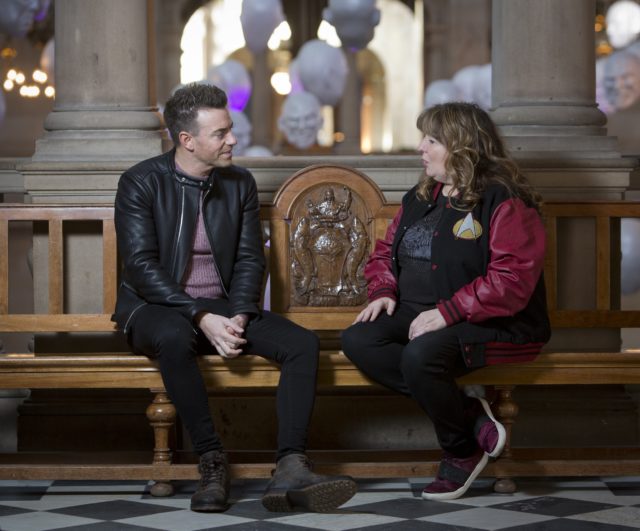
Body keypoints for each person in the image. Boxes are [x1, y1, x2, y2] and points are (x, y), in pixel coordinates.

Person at [113, 83, 356, 513]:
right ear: (186, 140)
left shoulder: (238, 183)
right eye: (221, 133)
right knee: (173, 336)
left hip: (223, 308)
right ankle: (211, 461)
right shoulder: (141, 183)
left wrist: (241, 314)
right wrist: (200, 314)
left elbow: (248, 260)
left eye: (230, 129)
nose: (233, 139)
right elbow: (141, 268)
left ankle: (291, 466)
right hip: (156, 309)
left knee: (303, 344)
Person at [341, 102, 551, 501]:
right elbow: (384, 253)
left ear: (462, 146)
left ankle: (460, 451)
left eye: (432, 139)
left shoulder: (504, 199)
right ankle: (471, 417)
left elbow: (512, 281)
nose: (421, 147)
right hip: (421, 312)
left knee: (419, 357)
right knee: (359, 339)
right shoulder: (423, 195)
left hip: (491, 320)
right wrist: (383, 290)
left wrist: (448, 312)